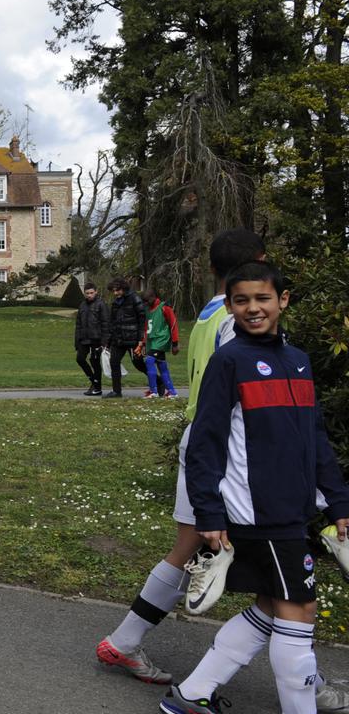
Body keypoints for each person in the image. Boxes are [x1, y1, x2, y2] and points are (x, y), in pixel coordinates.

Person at [160, 260, 349, 714]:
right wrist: (208, 513)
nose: (253, 308)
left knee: (271, 605)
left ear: (282, 300)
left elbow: (315, 439)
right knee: (300, 609)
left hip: (292, 509)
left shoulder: (298, 361)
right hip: (256, 512)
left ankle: (193, 696)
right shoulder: (230, 361)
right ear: (230, 305)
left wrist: (338, 501)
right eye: (241, 300)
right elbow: (205, 444)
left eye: (262, 298)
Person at [95, 229, 264, 682]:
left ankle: (124, 642)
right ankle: (298, 678)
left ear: (211, 269)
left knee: (188, 548)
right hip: (228, 444)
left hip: (201, 437)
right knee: (276, 554)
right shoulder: (239, 319)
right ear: (260, 263)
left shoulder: (209, 312)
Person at [104, 277, 147, 399]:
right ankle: (116, 391)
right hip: (118, 339)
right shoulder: (115, 303)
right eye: (113, 291)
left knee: (138, 364)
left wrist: (140, 339)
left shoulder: (134, 298)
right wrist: (109, 340)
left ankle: (159, 383)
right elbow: (112, 322)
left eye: (117, 290)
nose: (115, 293)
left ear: (123, 288)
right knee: (114, 362)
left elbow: (142, 319)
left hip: (133, 339)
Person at [74, 282, 110, 396]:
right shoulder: (82, 305)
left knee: (94, 362)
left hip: (96, 339)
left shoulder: (101, 304)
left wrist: (104, 342)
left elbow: (106, 324)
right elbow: (78, 324)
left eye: (91, 293)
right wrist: (77, 341)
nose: (89, 295)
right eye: (87, 293)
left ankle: (97, 388)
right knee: (80, 359)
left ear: (96, 292)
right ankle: (94, 381)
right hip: (83, 338)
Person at [143, 288, 180, 398]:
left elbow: (173, 324)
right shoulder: (148, 310)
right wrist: (144, 343)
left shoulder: (164, 307)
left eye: (147, 300)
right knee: (161, 365)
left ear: (153, 297)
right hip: (152, 341)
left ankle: (153, 391)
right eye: (144, 301)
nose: (145, 303)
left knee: (149, 360)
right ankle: (172, 392)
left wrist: (175, 343)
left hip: (161, 340)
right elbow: (146, 327)